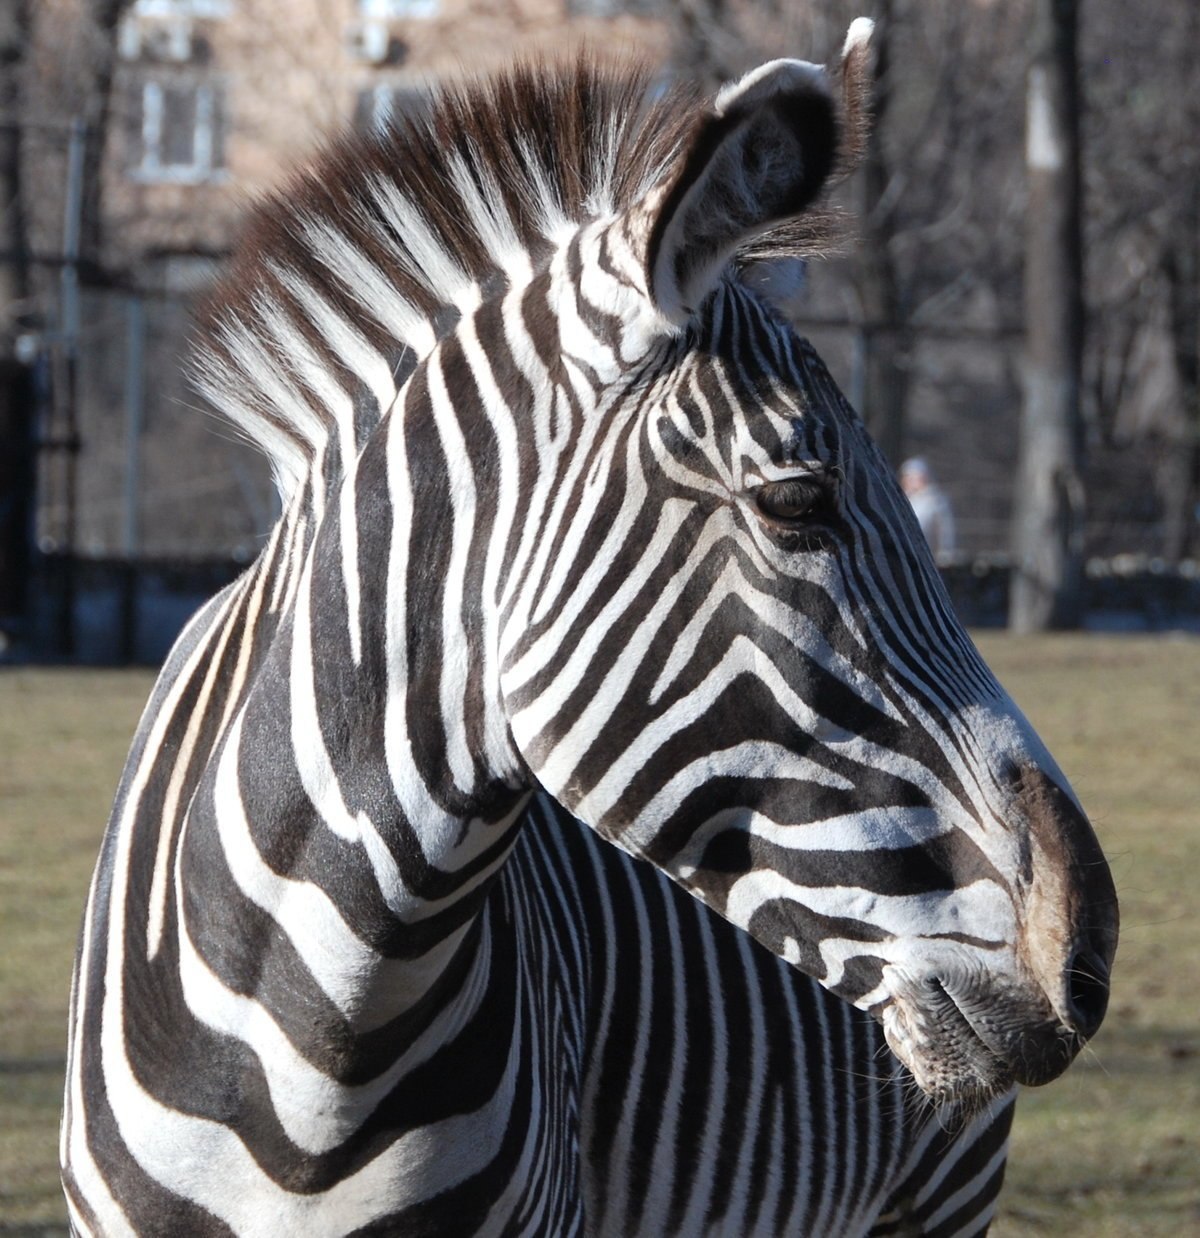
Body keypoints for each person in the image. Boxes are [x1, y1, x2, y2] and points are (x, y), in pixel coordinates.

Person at [899, 457, 957, 560]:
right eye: (907, 478)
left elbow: (944, 532)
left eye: (913, 478)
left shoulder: (936, 501)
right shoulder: (902, 500)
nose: (909, 482)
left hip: (927, 557)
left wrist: (945, 555)